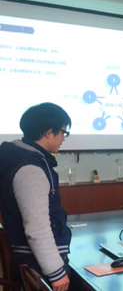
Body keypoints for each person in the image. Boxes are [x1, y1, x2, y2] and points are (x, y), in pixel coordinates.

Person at [0, 103, 72, 291]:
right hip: (37, 264)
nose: (63, 138)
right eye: (63, 132)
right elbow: (37, 228)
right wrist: (56, 272)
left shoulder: (25, 159)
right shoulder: (30, 170)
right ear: (49, 132)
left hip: (34, 260)